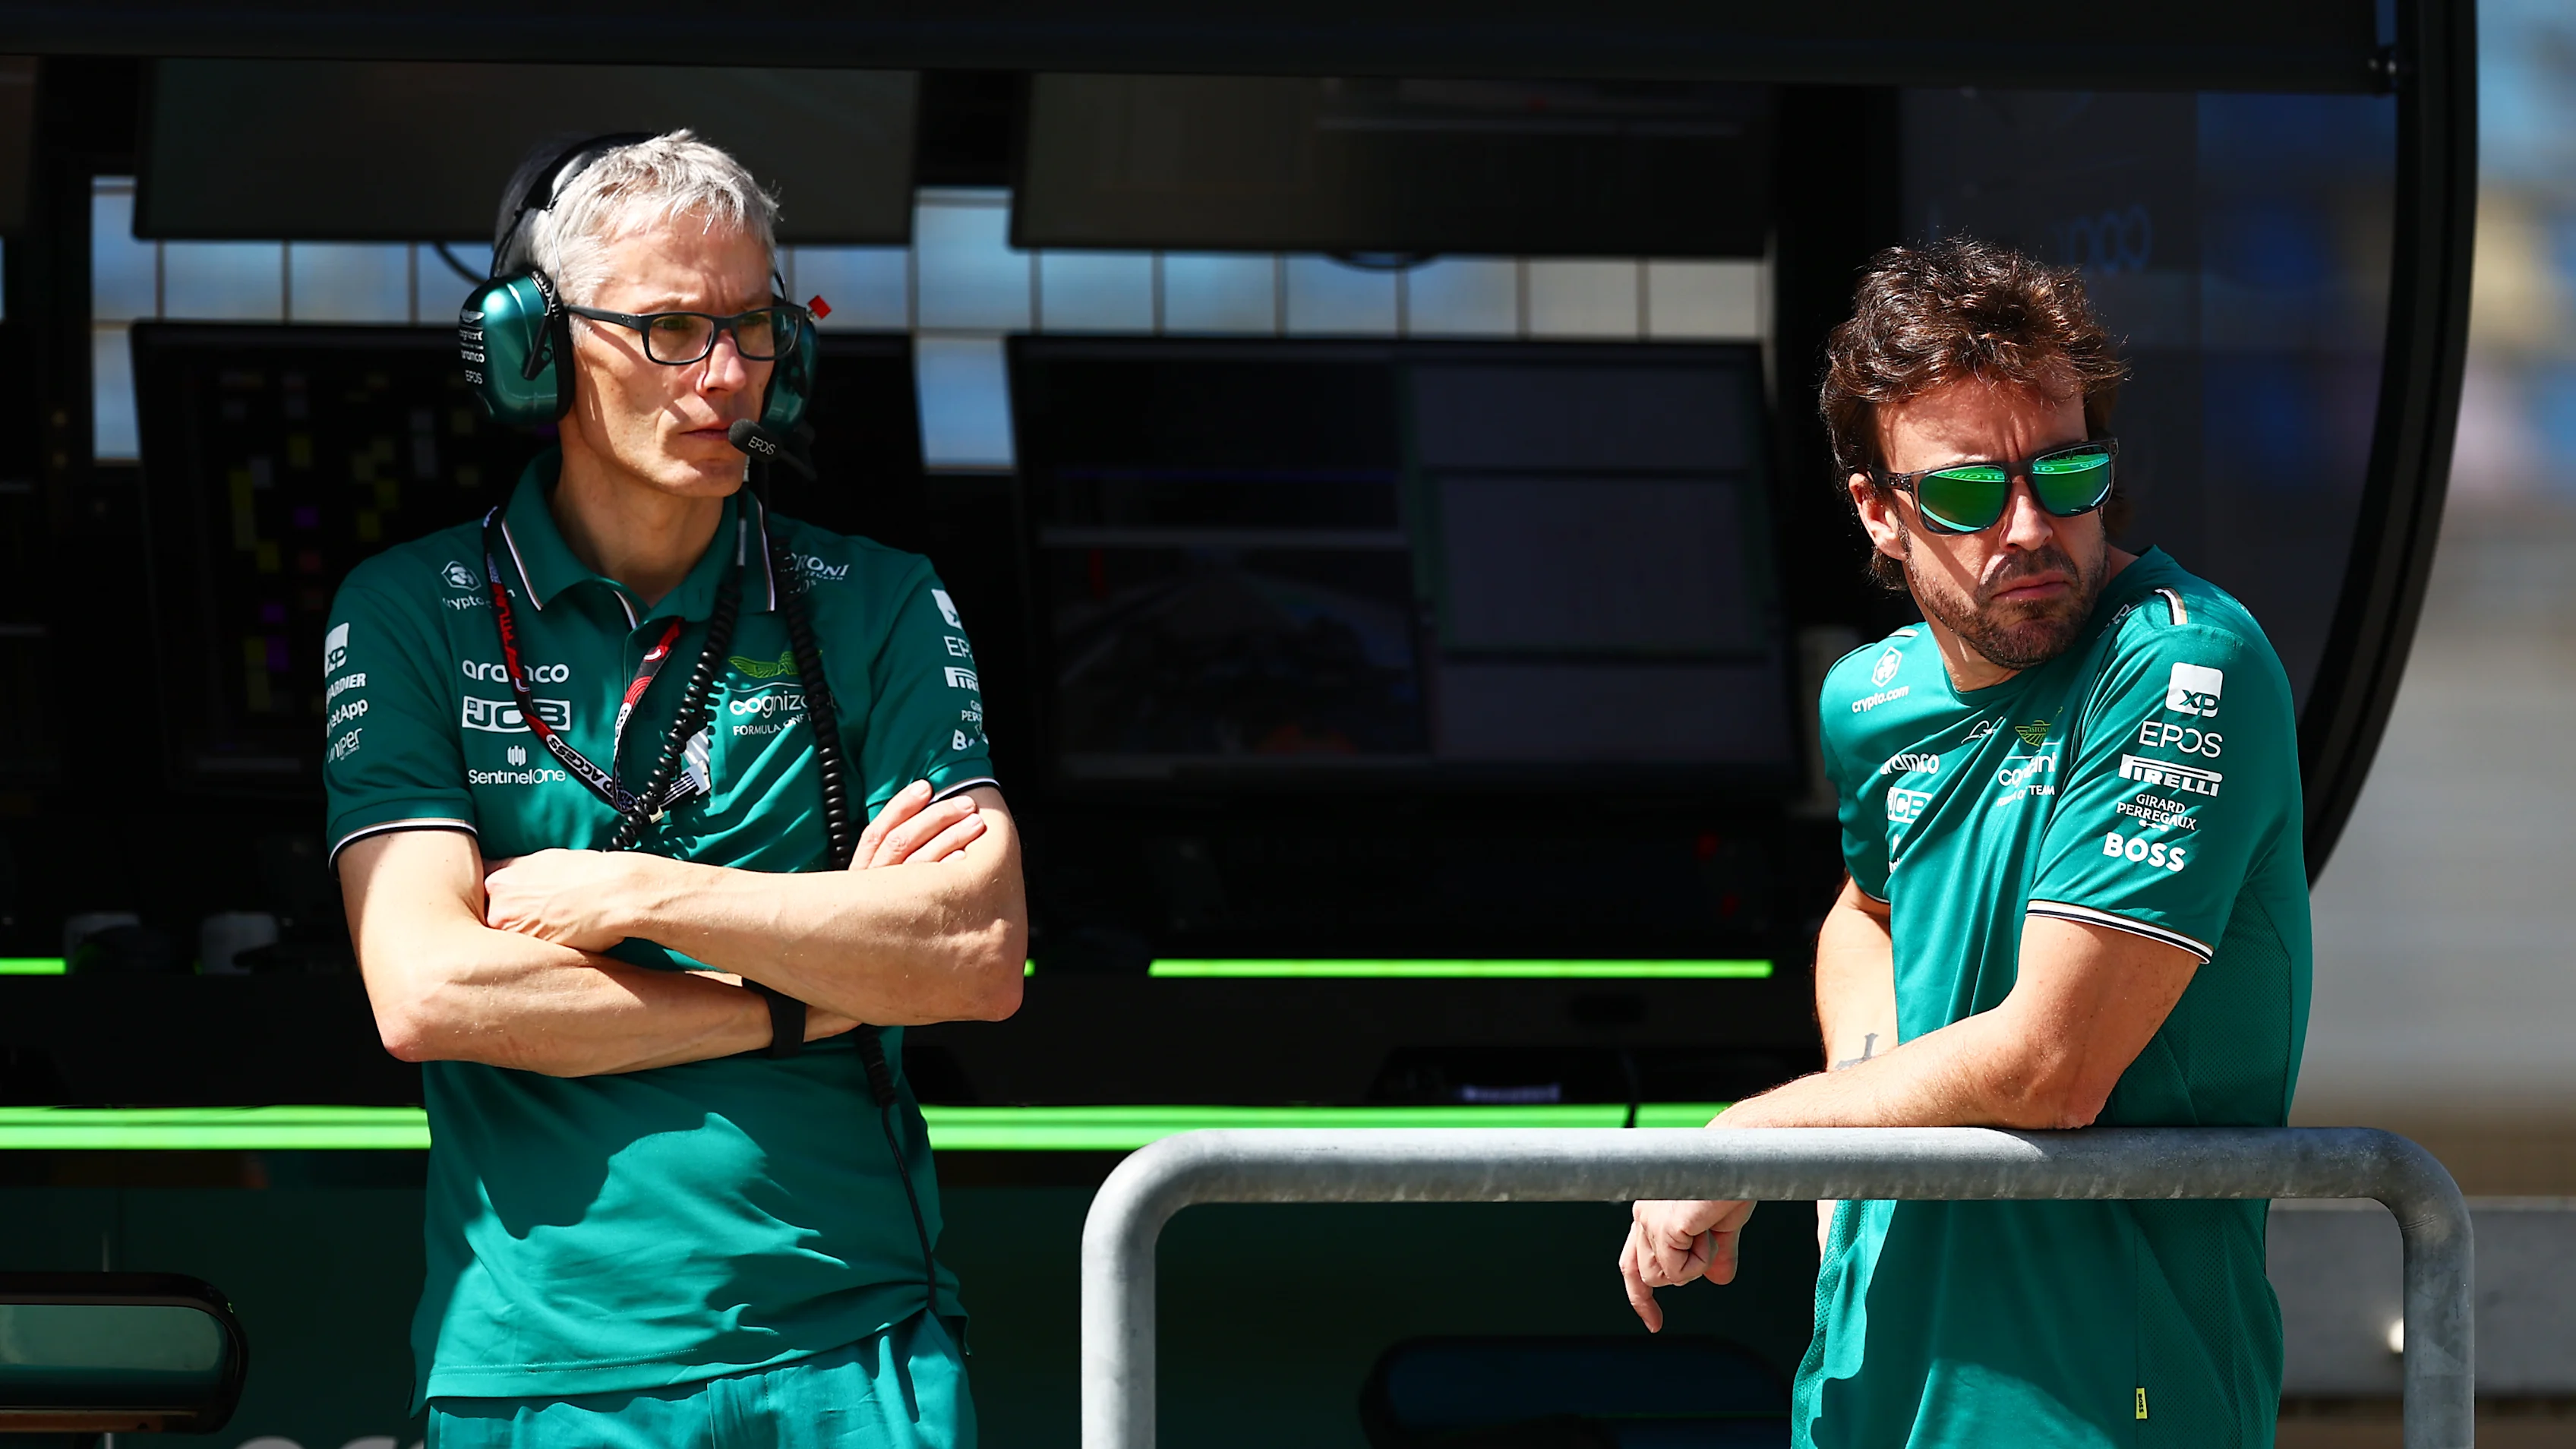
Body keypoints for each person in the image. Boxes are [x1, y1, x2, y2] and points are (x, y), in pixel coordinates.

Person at [324, 131, 1025, 1448]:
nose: (726, 380)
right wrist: (814, 987)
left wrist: (637, 892)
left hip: (859, 1344)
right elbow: (431, 992)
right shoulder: (411, 608)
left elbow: (973, 956)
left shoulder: (878, 599)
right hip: (537, 1364)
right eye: (669, 329)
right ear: (536, 346)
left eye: (755, 331)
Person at [1616, 237, 2310, 1447]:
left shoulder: (2186, 660)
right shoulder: (1869, 698)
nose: (2031, 527)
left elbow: (2056, 1064)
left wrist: (1753, 1138)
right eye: (1969, 494)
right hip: (1870, 1373)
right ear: (1881, 514)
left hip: (2107, 1391)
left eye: (2068, 470)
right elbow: (1866, 912)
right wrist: (1845, 1145)